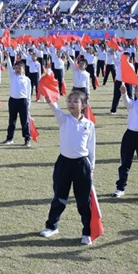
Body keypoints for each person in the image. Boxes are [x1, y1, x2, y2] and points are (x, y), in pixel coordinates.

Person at [39, 90, 96, 245]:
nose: (71, 103)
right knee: (59, 196)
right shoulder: (63, 119)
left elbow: (91, 148)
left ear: (83, 105)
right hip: (64, 163)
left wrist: (91, 168)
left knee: (84, 201)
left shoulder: (89, 125)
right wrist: (48, 97)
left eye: (76, 101)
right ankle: (51, 226)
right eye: (69, 100)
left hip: (82, 165)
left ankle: (87, 232)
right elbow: (54, 107)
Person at [3, 54, 32, 146]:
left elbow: (29, 93)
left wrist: (29, 105)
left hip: (23, 101)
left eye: (19, 68)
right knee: (12, 120)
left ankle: (27, 139)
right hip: (13, 101)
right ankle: (9, 138)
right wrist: (7, 58)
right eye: (16, 68)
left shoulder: (27, 80)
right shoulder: (13, 76)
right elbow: (9, 64)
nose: (17, 70)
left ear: (23, 69)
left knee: (24, 122)